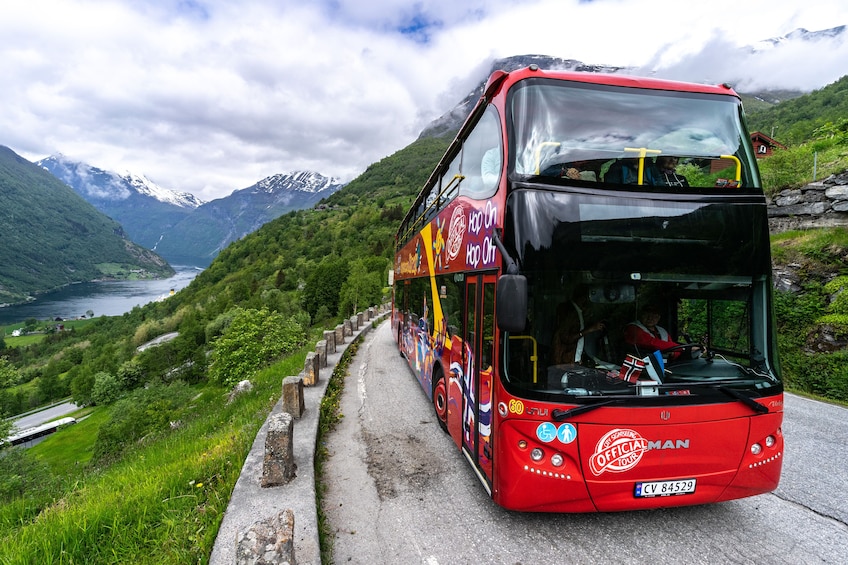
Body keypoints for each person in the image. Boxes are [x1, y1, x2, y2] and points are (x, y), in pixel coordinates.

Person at [551, 287, 607, 365]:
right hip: (565, 362)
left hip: (574, 361)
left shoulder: (578, 312)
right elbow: (566, 337)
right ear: (584, 298)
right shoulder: (568, 310)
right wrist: (590, 329)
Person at [624, 304, 699, 360]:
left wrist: (674, 353)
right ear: (641, 315)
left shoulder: (662, 331)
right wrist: (684, 349)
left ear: (659, 317)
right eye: (647, 314)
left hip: (665, 365)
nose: (650, 318)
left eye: (654, 315)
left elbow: (671, 347)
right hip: (642, 365)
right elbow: (653, 343)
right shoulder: (633, 329)